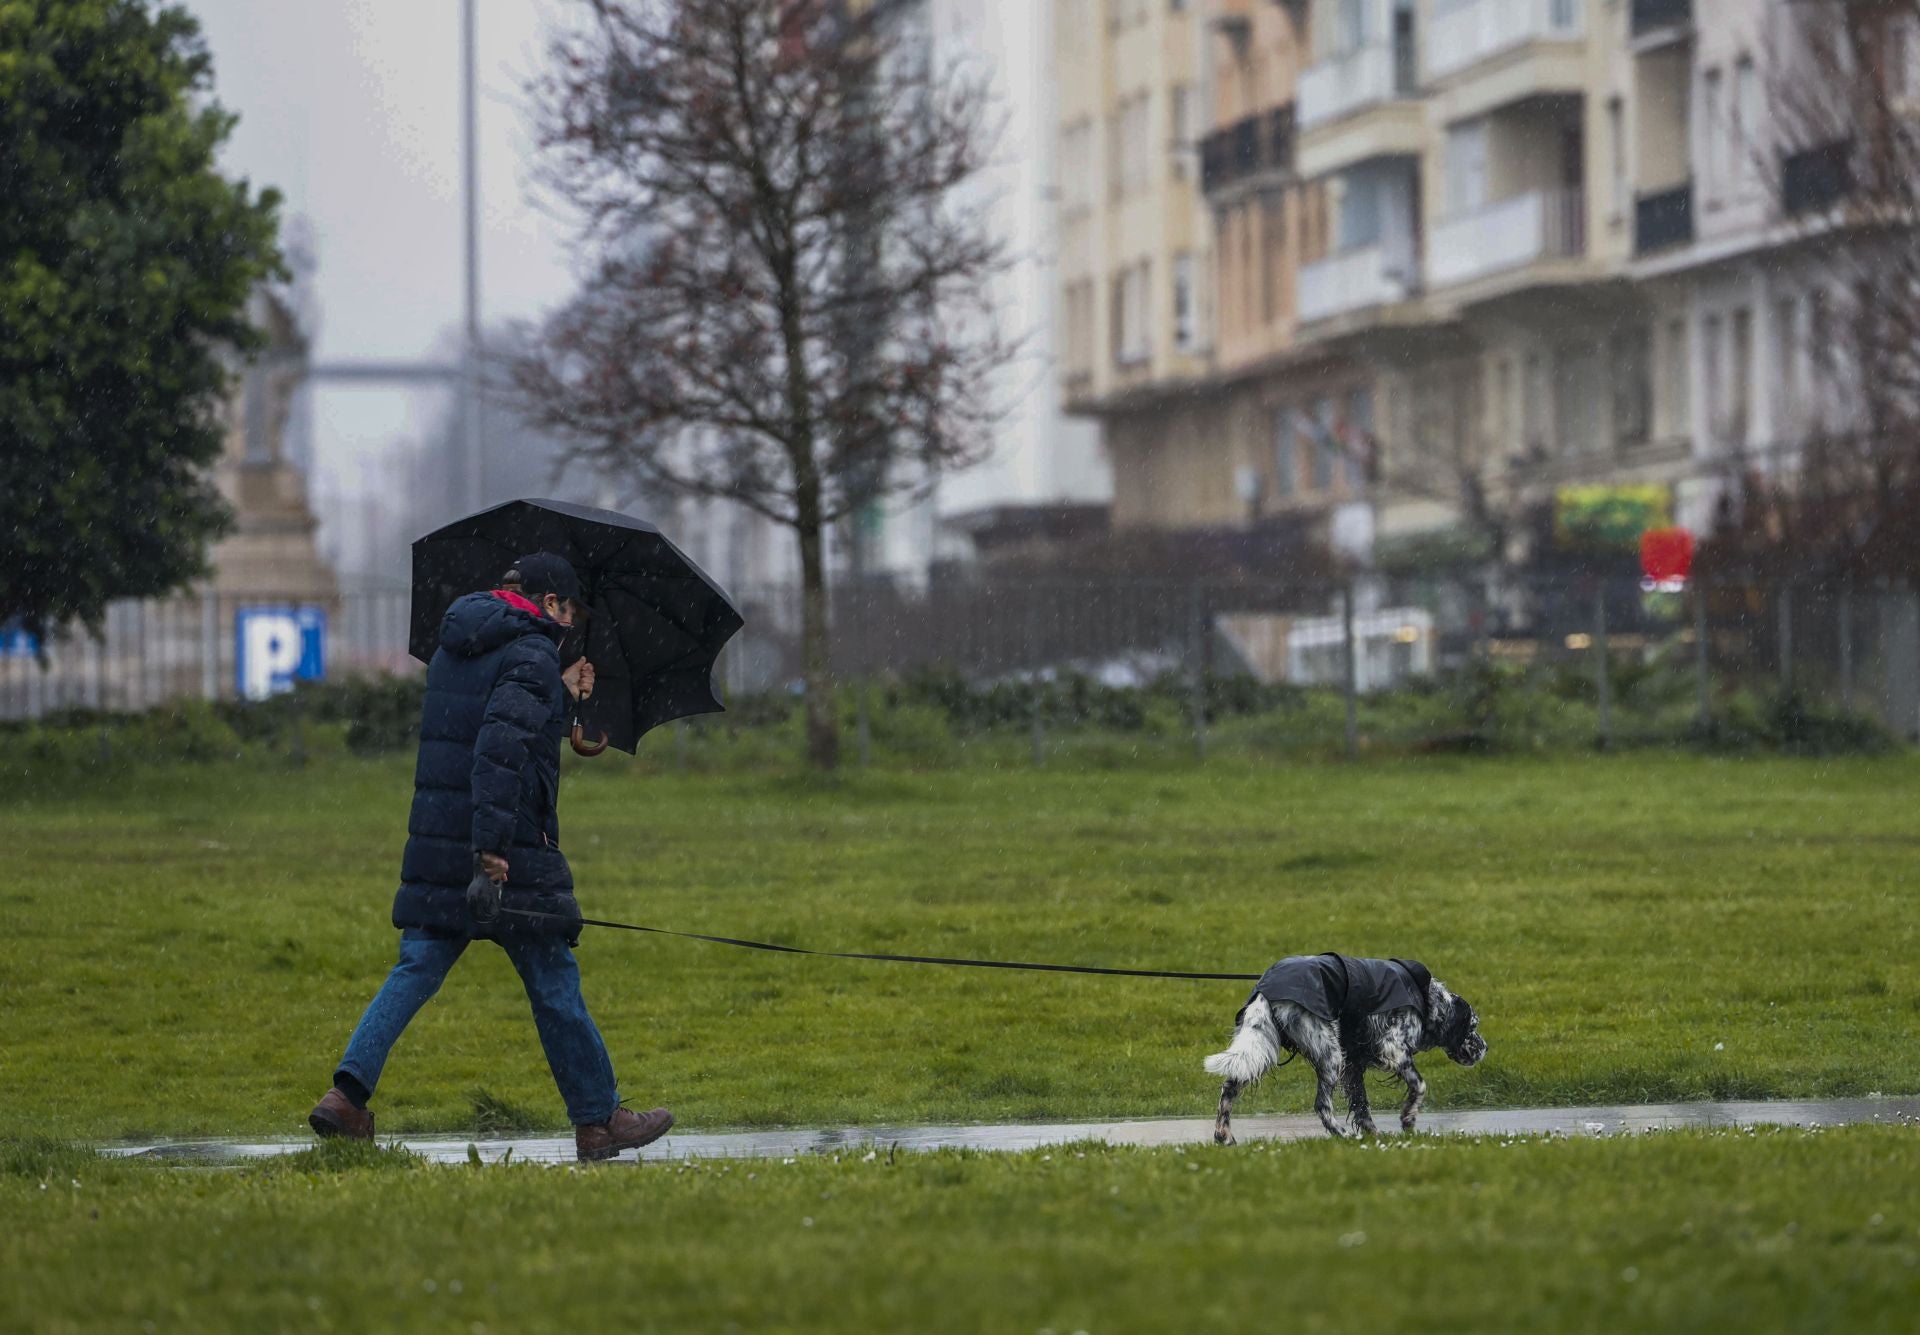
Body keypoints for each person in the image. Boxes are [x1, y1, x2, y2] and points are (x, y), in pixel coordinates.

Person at [309, 552, 672, 1161]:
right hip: (506, 848)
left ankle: (345, 1097)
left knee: (415, 969)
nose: (568, 623)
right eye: (569, 609)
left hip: (438, 841)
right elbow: (500, 754)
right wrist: (492, 854)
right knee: (554, 980)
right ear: (549, 601)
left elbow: (489, 722)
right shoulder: (531, 652)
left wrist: (559, 697)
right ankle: (600, 1120)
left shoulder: (460, 643)